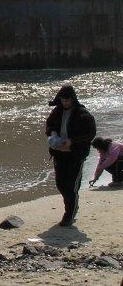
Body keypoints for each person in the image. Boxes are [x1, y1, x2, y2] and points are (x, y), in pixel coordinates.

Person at [45, 85, 96, 226]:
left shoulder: (83, 114)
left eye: (68, 100)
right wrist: (53, 133)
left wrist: (72, 141)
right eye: (63, 100)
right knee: (60, 184)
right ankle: (72, 207)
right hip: (59, 154)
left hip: (76, 155)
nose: (65, 103)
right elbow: (49, 126)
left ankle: (69, 215)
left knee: (71, 186)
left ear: (73, 99)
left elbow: (90, 134)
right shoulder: (56, 112)